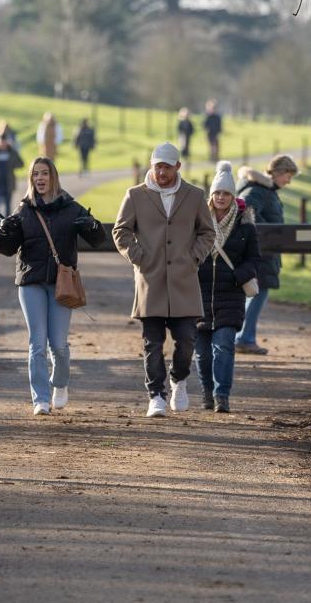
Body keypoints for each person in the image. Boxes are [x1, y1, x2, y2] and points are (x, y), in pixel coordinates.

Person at [0, 157, 105, 415]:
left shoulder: (71, 207)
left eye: (44, 173)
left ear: (53, 177)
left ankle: (60, 383)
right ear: (30, 179)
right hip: (31, 282)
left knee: (58, 344)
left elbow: (98, 239)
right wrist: (1, 232)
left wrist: (93, 226)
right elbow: (7, 250)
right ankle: (40, 399)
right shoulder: (23, 210)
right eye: (35, 174)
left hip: (60, 284)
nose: (39, 179)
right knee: (37, 344)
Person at [113, 142, 215, 417]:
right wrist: (139, 257)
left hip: (184, 281)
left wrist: (194, 257)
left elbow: (208, 232)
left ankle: (178, 380)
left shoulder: (194, 196)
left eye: (166, 167)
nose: (161, 172)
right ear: (151, 166)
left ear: (177, 167)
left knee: (187, 341)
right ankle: (156, 394)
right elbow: (120, 231)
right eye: (157, 166)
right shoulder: (135, 195)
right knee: (152, 343)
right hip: (150, 280)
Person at [195, 161, 261, 413]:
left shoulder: (245, 224)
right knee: (201, 353)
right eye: (217, 193)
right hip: (199, 294)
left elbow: (255, 259)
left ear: (233, 196)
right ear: (211, 196)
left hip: (230, 295)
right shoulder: (198, 222)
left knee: (223, 346)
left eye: (225, 193)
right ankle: (206, 395)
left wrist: (237, 275)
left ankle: (221, 395)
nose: (221, 198)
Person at [234, 154, 298, 355]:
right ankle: (245, 338)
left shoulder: (264, 189)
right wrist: (269, 234)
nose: (288, 181)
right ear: (279, 172)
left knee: (255, 294)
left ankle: (243, 336)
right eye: (288, 175)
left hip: (263, 253)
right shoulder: (258, 190)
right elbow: (246, 211)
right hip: (261, 254)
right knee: (257, 294)